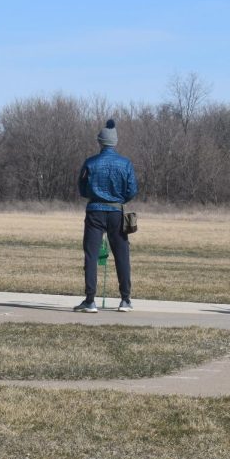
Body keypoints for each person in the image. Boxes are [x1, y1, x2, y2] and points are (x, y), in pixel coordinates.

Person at [74, 119, 138, 313]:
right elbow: (132, 190)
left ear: (100, 142)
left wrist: (94, 195)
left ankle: (90, 300)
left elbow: (82, 189)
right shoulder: (125, 164)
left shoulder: (90, 162)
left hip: (94, 211)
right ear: (115, 142)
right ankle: (125, 299)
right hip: (117, 212)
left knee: (92, 256)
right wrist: (119, 200)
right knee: (122, 256)